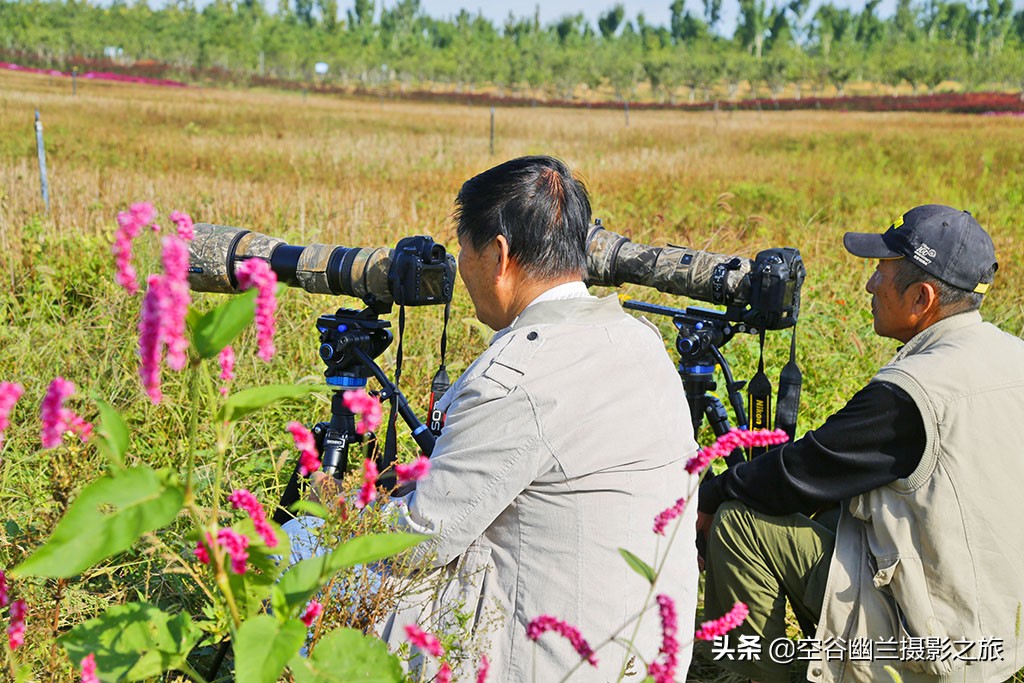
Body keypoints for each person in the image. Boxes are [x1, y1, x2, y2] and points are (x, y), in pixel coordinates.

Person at [289, 156, 700, 680]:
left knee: (300, 545)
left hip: (549, 664)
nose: (460, 268)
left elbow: (422, 539)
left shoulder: (518, 375)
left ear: (499, 256)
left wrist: (341, 507)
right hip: (644, 653)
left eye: (464, 250)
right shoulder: (639, 339)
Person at [697, 204, 1024, 683]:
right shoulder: (1011, 354)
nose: (870, 285)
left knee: (737, 523)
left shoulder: (914, 391)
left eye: (880, 273)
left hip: (934, 653)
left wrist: (707, 497)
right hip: (999, 631)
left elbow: (803, 470)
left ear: (922, 298)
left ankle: (768, 674)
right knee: (840, 509)